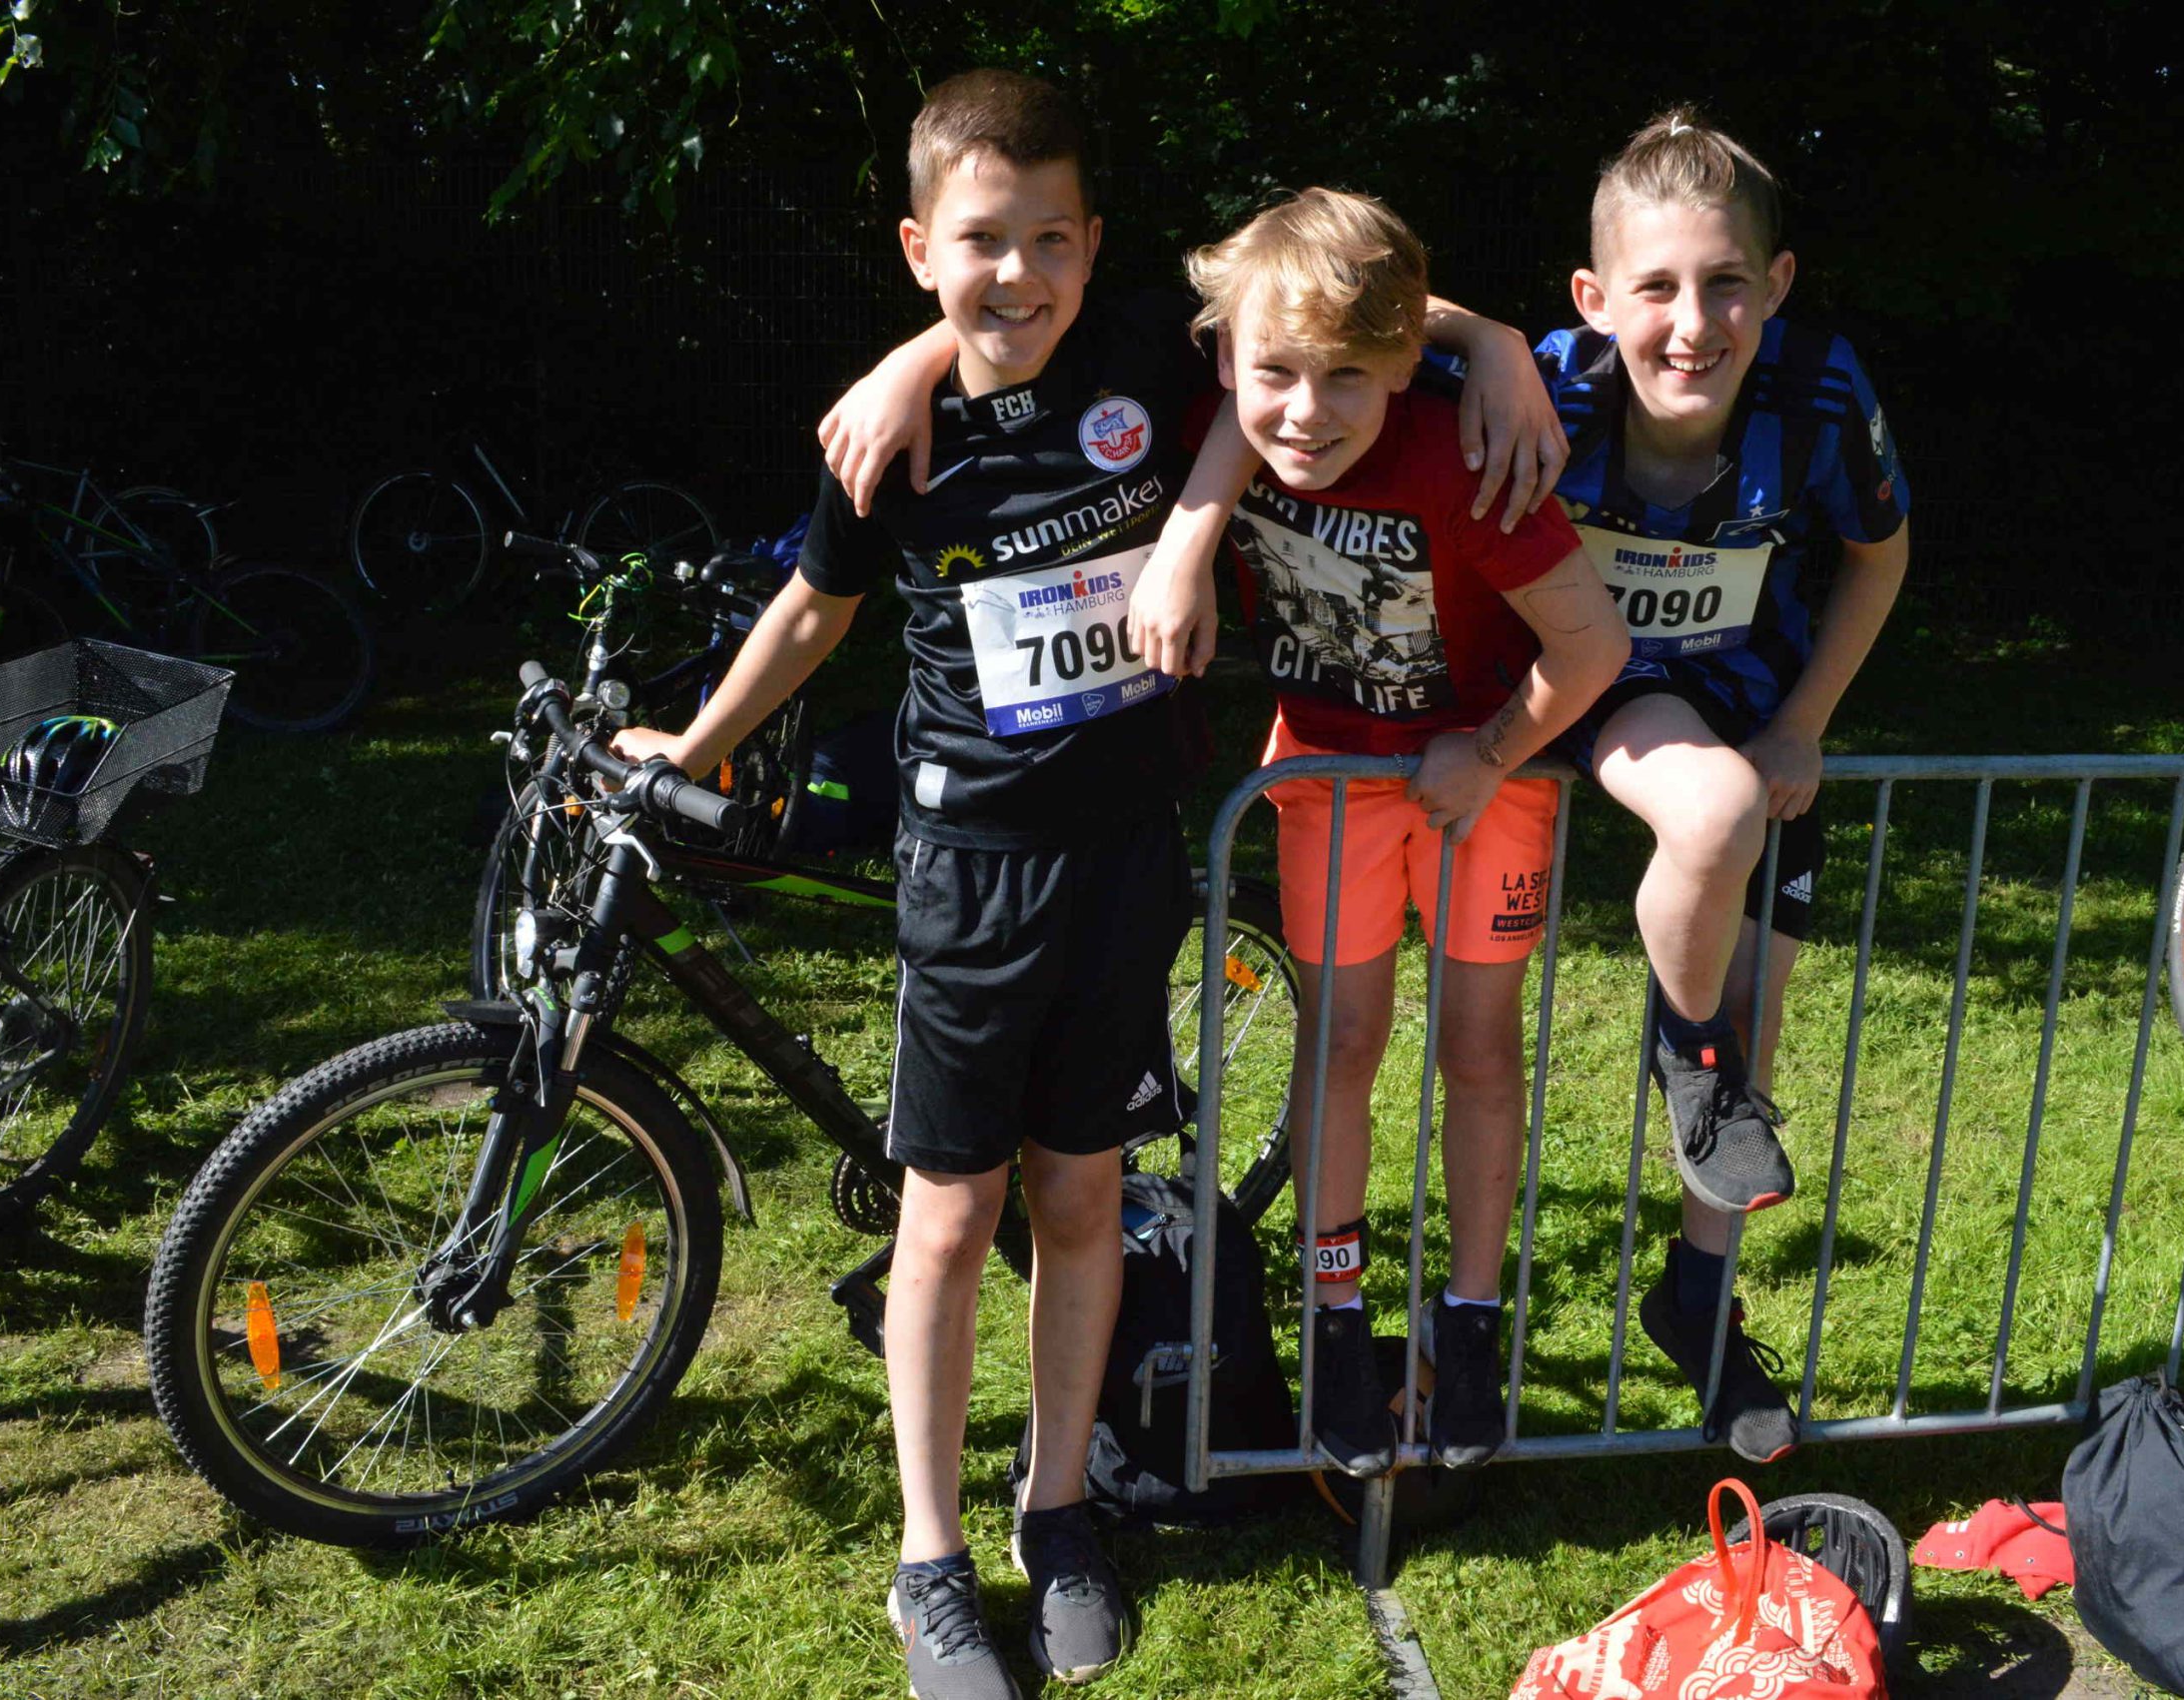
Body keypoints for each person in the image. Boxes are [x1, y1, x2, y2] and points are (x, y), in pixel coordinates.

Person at [622, 70, 1561, 1700]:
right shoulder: (892, 435)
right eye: (983, 242)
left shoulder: (1143, 351)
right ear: (920, 247)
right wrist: (696, 745)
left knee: (1082, 1196)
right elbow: (813, 611)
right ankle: (930, 1559)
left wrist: (1498, 354)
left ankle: (1057, 1508)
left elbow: (1327, 315)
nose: (1018, 273)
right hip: (971, 870)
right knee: (950, 1213)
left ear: (1096, 242)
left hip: (1129, 855)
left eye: (1050, 239)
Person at [1126, 188, 1629, 1480]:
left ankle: (1471, 1319)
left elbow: (1593, 648)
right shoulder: (1227, 422)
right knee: (1339, 1042)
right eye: (1276, 374)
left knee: (1478, 1047)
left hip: (1486, 780)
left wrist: (1492, 751)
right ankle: (1336, 1318)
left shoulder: (1462, 457)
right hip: (1329, 777)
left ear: (1404, 363)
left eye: (1347, 375)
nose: (1306, 409)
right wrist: (1186, 539)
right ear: (1228, 362)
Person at [1538, 108, 1911, 1464]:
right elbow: (1362, 315)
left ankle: (1697, 1300)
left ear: (1780, 283)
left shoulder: (1821, 391)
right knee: (1714, 834)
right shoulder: (1541, 384)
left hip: (1759, 700)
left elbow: (1880, 553)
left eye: (1728, 283)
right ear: (1593, 300)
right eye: (1656, 288)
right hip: (1599, 687)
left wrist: (1806, 723)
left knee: (1757, 1018)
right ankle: (1685, 1056)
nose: (1693, 324)